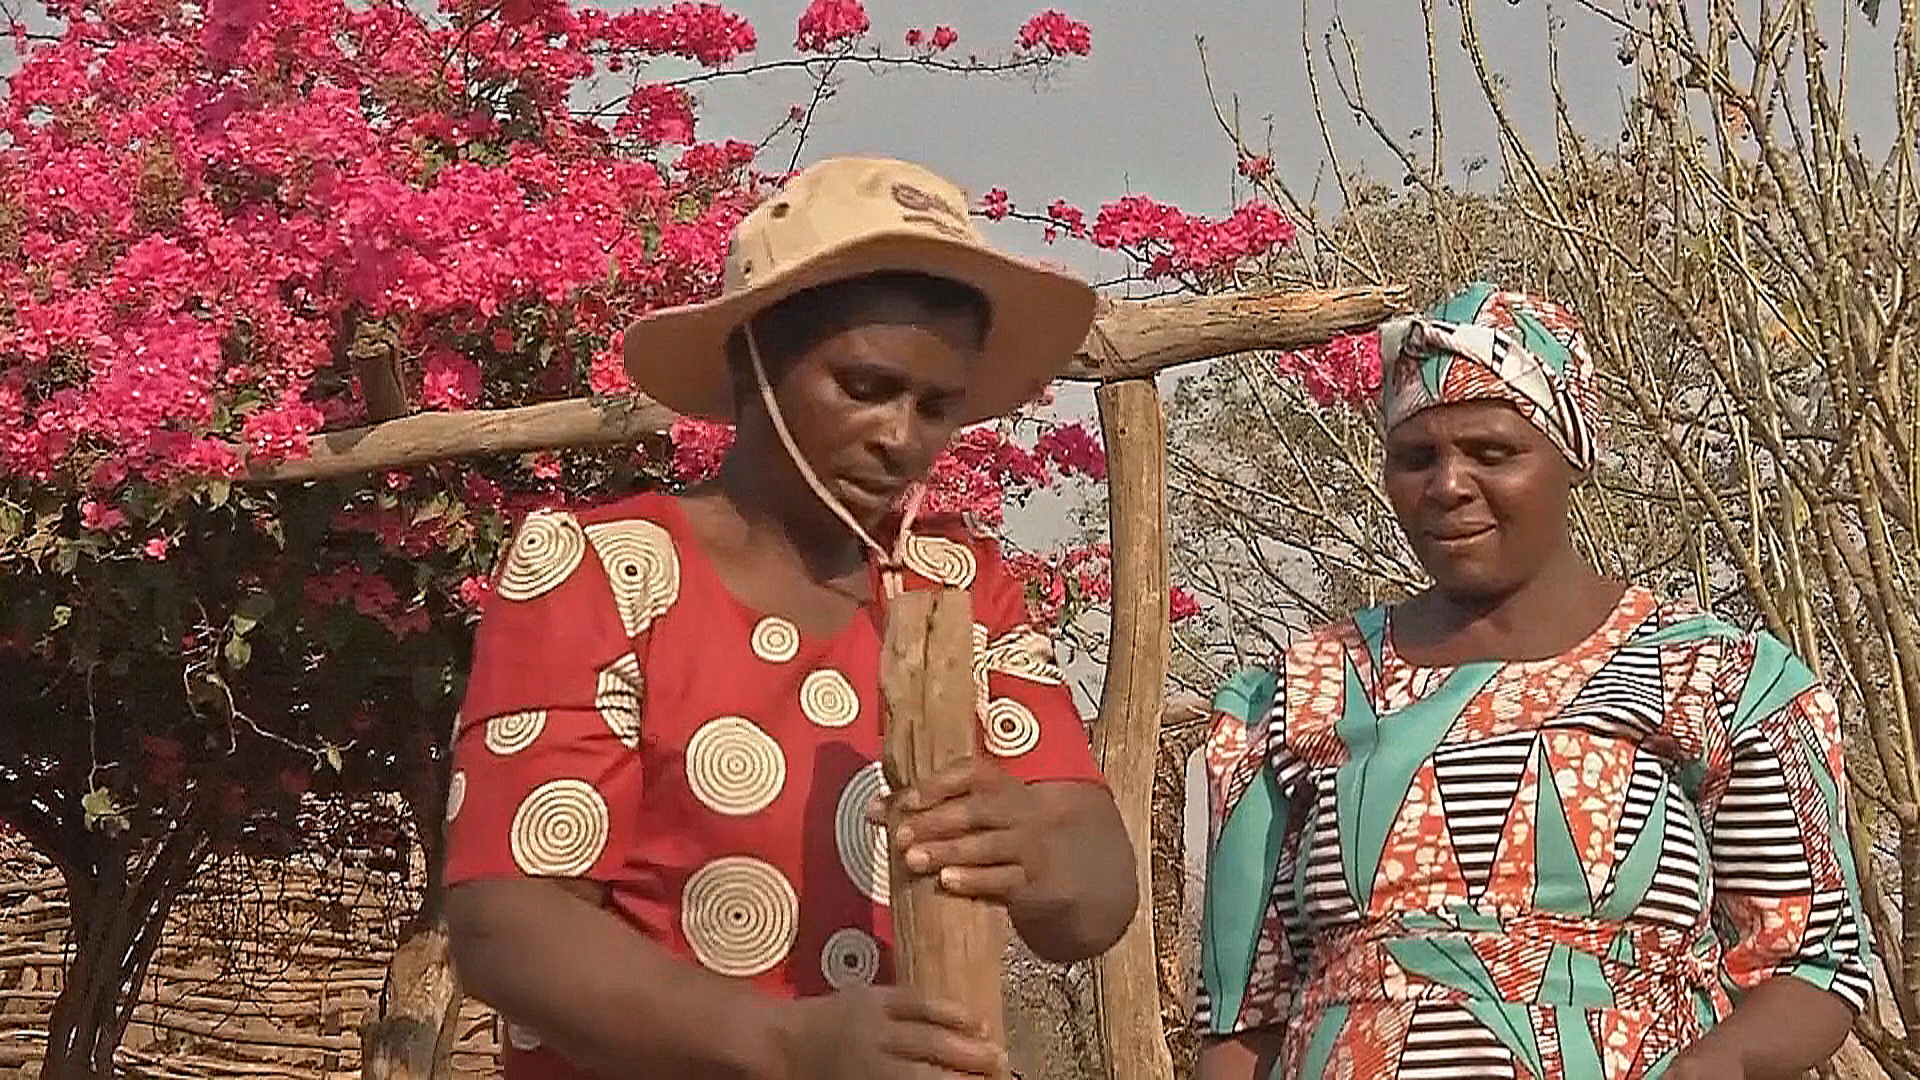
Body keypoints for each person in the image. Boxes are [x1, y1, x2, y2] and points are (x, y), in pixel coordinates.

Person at [442, 156, 1138, 1080]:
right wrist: (784, 1045)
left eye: (937, 406)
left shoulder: (958, 584)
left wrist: (1034, 852)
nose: (901, 435)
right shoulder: (608, 574)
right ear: (754, 363)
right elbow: (504, 922)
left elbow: (1097, 894)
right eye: (863, 387)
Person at [1196, 284, 1872, 1080]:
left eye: (1492, 452)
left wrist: (1704, 1070)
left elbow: (1815, 963)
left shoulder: (1719, 677)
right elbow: (1244, 1017)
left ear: (1571, 458)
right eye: (1417, 457)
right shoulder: (1295, 693)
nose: (1447, 485)